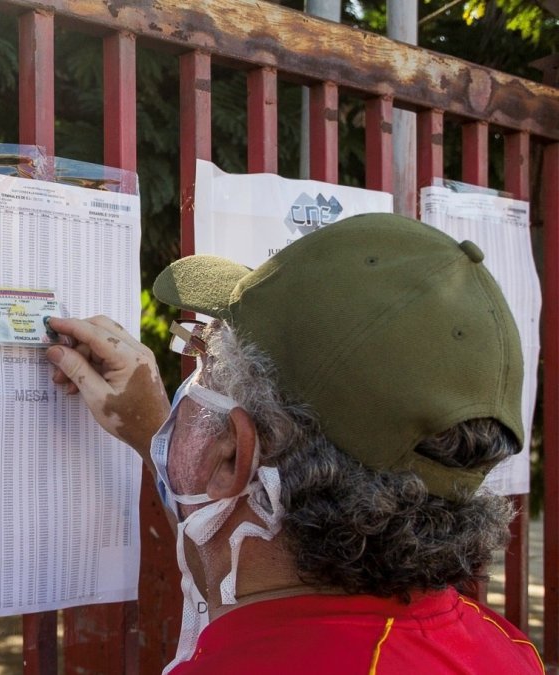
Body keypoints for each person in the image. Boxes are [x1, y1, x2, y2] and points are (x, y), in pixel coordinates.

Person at [44, 213, 544, 674]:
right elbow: (241, 538)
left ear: (234, 455)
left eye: (203, 359)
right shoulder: (504, 651)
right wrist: (160, 435)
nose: (192, 376)